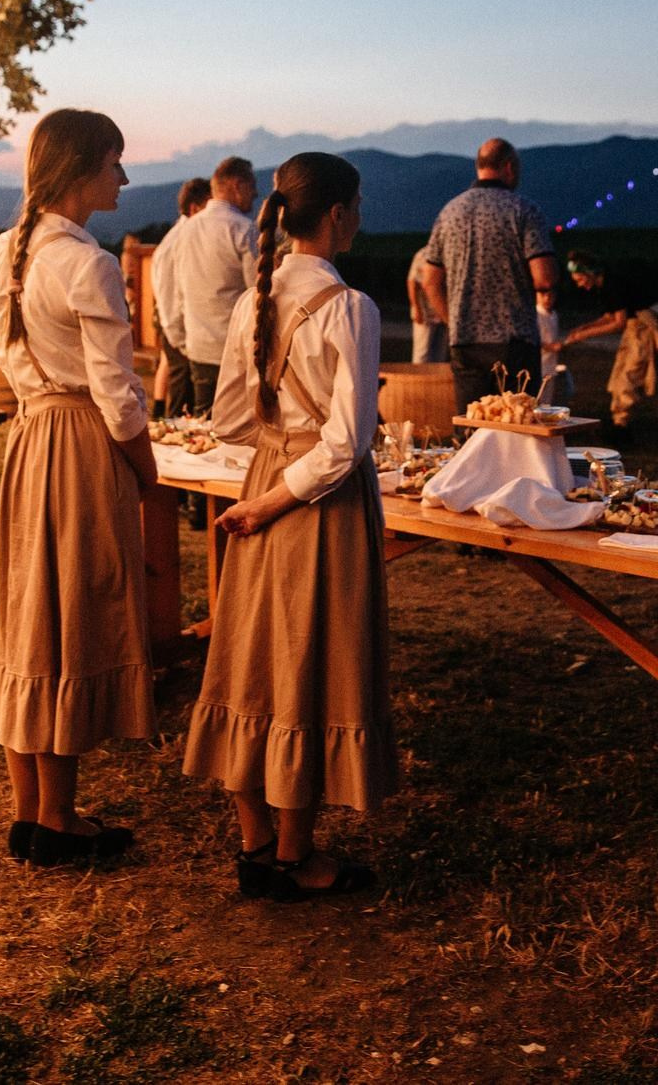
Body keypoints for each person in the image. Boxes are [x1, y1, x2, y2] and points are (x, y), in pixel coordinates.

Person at [182, 152, 395, 900]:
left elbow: (231, 419)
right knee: (308, 667)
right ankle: (296, 857)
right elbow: (349, 440)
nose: (360, 217)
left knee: (251, 661)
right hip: (317, 503)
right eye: (358, 206)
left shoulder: (255, 301)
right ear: (337, 215)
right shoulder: (351, 307)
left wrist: (269, 469)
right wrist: (284, 491)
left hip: (263, 485)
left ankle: (256, 844)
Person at [0, 109, 155, 867]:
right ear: (83, 168)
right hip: (80, 440)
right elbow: (117, 393)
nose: (123, 177)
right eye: (116, 162)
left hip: (30, 437)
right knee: (70, 619)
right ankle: (56, 818)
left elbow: (5, 355)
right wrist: (147, 472)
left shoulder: (3, 253)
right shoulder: (88, 261)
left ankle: (32, 810)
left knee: (29, 616)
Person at [420, 139, 556, 410]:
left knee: (472, 433)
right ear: (509, 167)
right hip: (515, 342)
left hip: (465, 341)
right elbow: (545, 279)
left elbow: (430, 281)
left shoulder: (450, 212)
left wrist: (453, 320)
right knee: (518, 431)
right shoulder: (523, 210)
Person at [160, 156, 259, 413]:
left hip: (198, 347)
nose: (256, 193)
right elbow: (257, 296)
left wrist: (181, 340)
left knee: (204, 429)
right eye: (252, 185)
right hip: (237, 352)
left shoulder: (185, 231)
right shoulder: (244, 230)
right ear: (238, 185)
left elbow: (174, 292)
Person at [560, 252, 658, 436]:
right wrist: (584, 327)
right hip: (634, 328)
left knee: (629, 375)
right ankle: (619, 422)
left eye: (580, 279)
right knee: (619, 373)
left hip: (644, 327)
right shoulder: (604, 285)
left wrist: (582, 335)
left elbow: (618, 322)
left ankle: (622, 427)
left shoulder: (612, 284)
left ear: (589, 272)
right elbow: (610, 316)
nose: (580, 284)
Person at [149, 177, 210, 417]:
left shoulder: (184, 237)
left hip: (185, 332)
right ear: (195, 208)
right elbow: (167, 292)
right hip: (180, 334)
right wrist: (180, 340)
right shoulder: (177, 241)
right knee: (182, 400)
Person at [407, 243, 448, 364]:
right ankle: (418, 383)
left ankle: (434, 382)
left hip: (444, 312)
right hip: (426, 311)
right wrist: (416, 308)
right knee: (422, 353)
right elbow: (412, 282)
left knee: (440, 354)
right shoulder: (424, 254)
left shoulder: (450, 253)